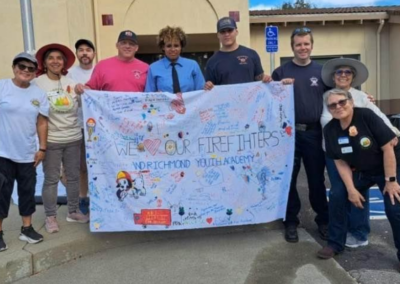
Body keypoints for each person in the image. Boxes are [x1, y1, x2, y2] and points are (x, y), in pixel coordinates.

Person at [320, 58, 400, 252]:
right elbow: (339, 162)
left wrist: (390, 179)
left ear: (351, 102)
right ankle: (335, 243)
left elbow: (387, 146)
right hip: (355, 164)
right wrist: (351, 189)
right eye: (333, 105)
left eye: (342, 102)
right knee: (339, 194)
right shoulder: (330, 124)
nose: (338, 106)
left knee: (394, 204)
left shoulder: (364, 109)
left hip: (382, 164)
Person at [271, 27, 329, 243]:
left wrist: (362, 98)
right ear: (292, 47)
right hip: (289, 134)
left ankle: (323, 220)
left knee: (316, 180)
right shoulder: (281, 72)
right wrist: (278, 86)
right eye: (298, 44)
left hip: (314, 133)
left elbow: (337, 96)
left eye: (306, 43)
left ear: (311, 45)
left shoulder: (322, 72)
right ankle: (291, 222)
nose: (302, 47)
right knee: (289, 179)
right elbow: (270, 99)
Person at [35, 43, 89, 234]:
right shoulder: (37, 83)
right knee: (51, 179)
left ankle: (73, 211)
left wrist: (85, 92)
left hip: (74, 137)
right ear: (45, 62)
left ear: (64, 62)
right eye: (51, 58)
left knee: (73, 177)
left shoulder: (73, 83)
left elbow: (88, 106)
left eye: (59, 58)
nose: (55, 61)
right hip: (51, 141)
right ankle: (50, 217)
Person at [0, 52, 49, 251]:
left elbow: (42, 122)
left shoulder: (38, 94)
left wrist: (42, 148)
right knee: (1, 194)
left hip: (28, 153)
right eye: (22, 66)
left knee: (27, 192)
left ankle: (26, 229)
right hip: (3, 153)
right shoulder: (2, 87)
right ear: (14, 67)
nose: (26, 71)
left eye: (31, 69)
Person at [66, 39, 96, 215]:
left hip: (100, 126)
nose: (85, 53)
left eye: (88, 50)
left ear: (94, 53)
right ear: (77, 54)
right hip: (78, 126)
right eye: (81, 50)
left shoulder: (101, 70)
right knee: (81, 166)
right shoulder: (69, 74)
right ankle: (83, 198)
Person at [204, 17, 271, 89]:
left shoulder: (251, 54)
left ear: (236, 32)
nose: (226, 34)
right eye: (223, 31)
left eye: (230, 30)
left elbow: (260, 80)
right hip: (225, 100)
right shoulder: (212, 62)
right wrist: (208, 86)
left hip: (250, 100)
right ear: (218, 35)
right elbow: (209, 90)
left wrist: (266, 79)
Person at [75, 30, 148, 94]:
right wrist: (80, 88)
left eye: (131, 44)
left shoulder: (146, 68)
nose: (127, 46)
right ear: (117, 45)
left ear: (136, 48)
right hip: (109, 109)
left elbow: (151, 93)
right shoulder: (102, 66)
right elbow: (90, 89)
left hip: (138, 109)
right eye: (123, 43)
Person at [145, 26, 205, 93]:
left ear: (181, 47)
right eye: (169, 46)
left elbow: (201, 92)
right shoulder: (153, 68)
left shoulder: (193, 65)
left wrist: (208, 87)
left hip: (190, 103)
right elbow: (148, 95)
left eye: (176, 45)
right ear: (163, 47)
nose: (173, 49)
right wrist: (155, 96)